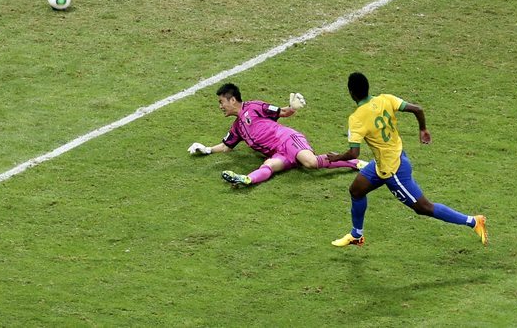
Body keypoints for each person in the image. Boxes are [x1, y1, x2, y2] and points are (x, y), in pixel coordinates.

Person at [328, 72, 488, 247]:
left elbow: (353, 154)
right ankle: (356, 235)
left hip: (393, 170)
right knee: (356, 191)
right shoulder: (385, 99)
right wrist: (423, 129)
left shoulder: (357, 118)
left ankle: (473, 221)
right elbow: (418, 109)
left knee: (424, 208)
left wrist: (335, 158)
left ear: (351, 92)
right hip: (389, 160)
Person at [188, 82, 366, 186]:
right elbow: (227, 146)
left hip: (288, 139)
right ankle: (245, 179)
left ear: (232, 99)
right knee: (269, 165)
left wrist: (293, 108)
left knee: (310, 163)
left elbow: (282, 112)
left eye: (221, 102)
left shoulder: (254, 107)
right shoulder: (237, 127)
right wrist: (207, 149)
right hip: (279, 153)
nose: (220, 106)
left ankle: (355, 163)